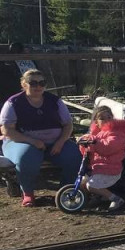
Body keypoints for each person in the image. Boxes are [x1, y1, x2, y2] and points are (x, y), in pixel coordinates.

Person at [0, 69, 81, 207]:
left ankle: (65, 191)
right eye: (33, 83)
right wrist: (32, 141)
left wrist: (61, 142)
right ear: (24, 84)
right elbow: (6, 130)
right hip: (20, 142)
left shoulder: (55, 101)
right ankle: (28, 193)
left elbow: (68, 125)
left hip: (54, 142)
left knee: (75, 155)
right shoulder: (13, 103)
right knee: (26, 157)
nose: (38, 86)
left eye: (42, 83)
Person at [78, 106, 125, 212]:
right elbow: (88, 151)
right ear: (96, 123)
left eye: (109, 117)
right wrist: (84, 143)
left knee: (91, 186)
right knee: (81, 182)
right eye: (102, 118)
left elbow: (108, 147)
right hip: (97, 167)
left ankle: (116, 199)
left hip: (110, 169)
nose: (106, 120)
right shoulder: (97, 134)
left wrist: (94, 142)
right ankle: (95, 198)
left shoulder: (117, 133)